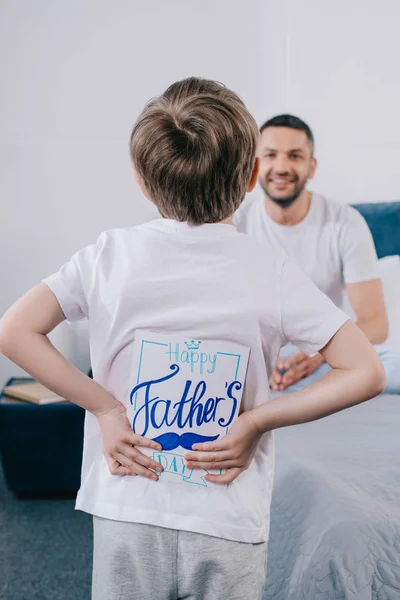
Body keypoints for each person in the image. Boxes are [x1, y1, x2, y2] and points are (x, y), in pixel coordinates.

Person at [0, 79, 385, 600]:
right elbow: (366, 370)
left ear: (140, 179)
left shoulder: (109, 255)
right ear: (252, 177)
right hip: (228, 513)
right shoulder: (269, 269)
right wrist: (256, 420)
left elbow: (14, 330)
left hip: (129, 505)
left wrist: (106, 410)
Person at [234, 114, 400, 395]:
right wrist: (258, 356)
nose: (282, 166)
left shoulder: (345, 222)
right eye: (271, 155)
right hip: (252, 361)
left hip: (325, 358)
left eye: (295, 156)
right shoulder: (237, 223)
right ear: (255, 166)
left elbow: (375, 324)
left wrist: (320, 354)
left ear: (311, 167)